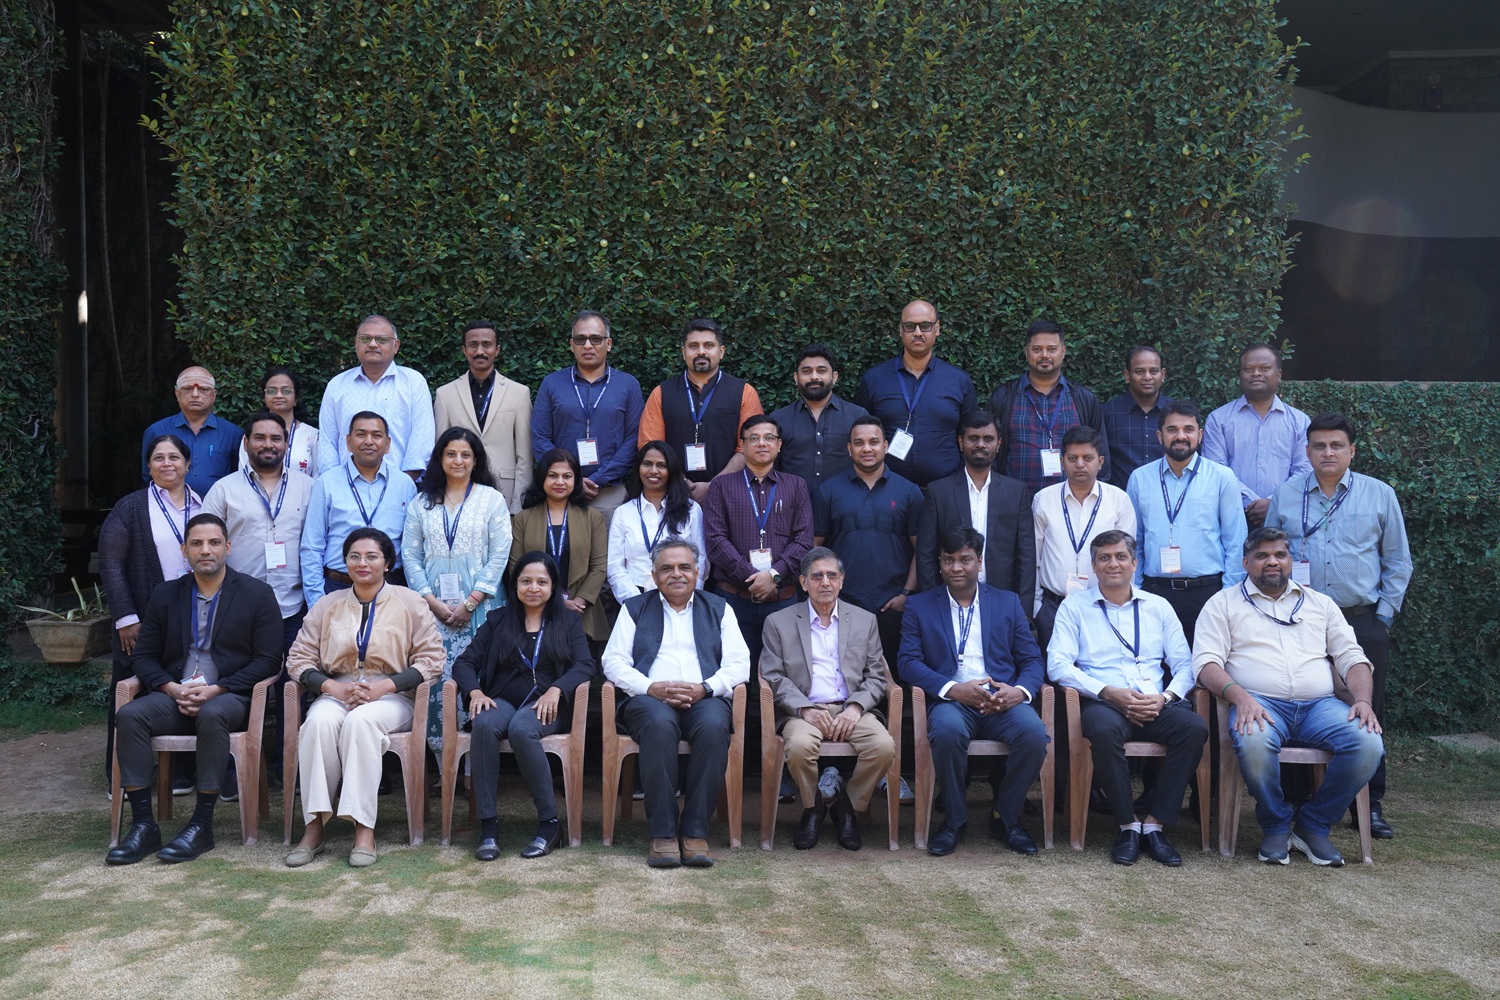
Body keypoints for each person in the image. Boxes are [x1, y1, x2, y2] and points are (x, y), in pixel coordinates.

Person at [1193, 527, 1385, 868]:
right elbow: (1206, 664)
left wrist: (1363, 701)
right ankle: (1276, 823)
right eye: (1262, 555)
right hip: (1259, 703)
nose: (1272, 562)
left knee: (1368, 743)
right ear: (1246, 562)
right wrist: (1240, 697)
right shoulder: (1222, 604)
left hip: (1320, 706)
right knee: (1253, 741)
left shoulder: (1320, 604)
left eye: (1280, 555)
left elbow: (1352, 658)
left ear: (1290, 561)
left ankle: (1314, 825)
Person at [106, 514, 283, 865]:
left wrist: (217, 689)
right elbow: (143, 657)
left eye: (214, 542)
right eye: (197, 543)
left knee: (214, 714)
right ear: (184, 550)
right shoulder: (166, 595)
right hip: (174, 697)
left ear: (227, 548)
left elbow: (268, 660)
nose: (206, 550)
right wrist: (170, 688)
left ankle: (202, 825)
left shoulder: (256, 594)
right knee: (130, 715)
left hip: (228, 698)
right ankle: (143, 826)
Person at [1265, 411, 1410, 839]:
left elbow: (1398, 561)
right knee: (1294, 700)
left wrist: (1381, 618)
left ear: (1351, 451)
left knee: (1366, 711)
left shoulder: (1379, 495)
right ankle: (1295, 799)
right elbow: (1271, 554)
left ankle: (1370, 803)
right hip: (1298, 620)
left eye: (1336, 446)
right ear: (1307, 451)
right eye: (1319, 446)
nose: (1327, 453)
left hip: (1359, 619)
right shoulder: (1288, 494)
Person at [284, 528, 445, 868]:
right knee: (318, 722)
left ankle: (364, 829)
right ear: (345, 562)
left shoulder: (410, 602)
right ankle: (313, 827)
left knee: (361, 721)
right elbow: (298, 659)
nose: (362, 563)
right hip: (339, 689)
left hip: (392, 695)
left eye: (372, 556)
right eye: (355, 556)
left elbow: (432, 660)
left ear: (387, 563)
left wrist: (385, 686)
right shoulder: (327, 605)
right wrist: (333, 688)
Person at [1047, 530, 1206, 867]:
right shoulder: (1074, 607)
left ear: (1135, 563)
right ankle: (1127, 825)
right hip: (1104, 703)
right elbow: (1058, 665)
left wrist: (1165, 697)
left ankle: (1155, 824)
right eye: (1104, 558)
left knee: (1193, 728)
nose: (1113, 564)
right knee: (1103, 731)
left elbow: (1185, 665)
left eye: (1120, 556)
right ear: (1093, 566)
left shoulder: (1159, 607)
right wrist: (1108, 692)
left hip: (1155, 702)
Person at [601, 538, 751, 867]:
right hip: (649, 700)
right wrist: (651, 687)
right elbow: (613, 662)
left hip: (705, 696)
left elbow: (740, 664)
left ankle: (695, 831)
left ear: (698, 573)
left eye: (684, 567)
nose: (676, 574)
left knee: (714, 727)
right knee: (659, 724)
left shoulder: (719, 608)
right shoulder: (635, 608)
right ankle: (663, 834)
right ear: (653, 576)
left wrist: (705, 688)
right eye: (666, 568)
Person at [900, 527, 1049, 856]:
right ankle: (954, 820)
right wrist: (954, 689)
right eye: (948, 560)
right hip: (953, 702)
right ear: (939, 564)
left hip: (1002, 700)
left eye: (965, 559)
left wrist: (1020, 692)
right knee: (948, 731)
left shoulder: (1007, 602)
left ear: (979, 562)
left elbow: (1033, 660)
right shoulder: (920, 606)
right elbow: (908, 662)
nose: (956, 567)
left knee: (1034, 734)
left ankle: (1006, 817)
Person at [451, 551, 596, 860]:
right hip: (502, 698)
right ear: (514, 585)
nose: (533, 588)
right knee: (485, 723)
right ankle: (488, 826)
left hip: (546, 704)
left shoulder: (567, 620)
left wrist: (557, 689)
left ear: (553, 586)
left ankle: (549, 823)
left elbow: (585, 665)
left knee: (521, 729)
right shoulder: (498, 619)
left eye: (542, 582)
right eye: (526, 581)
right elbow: (464, 663)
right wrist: (475, 692)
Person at [202, 411, 316, 784]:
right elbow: (206, 542)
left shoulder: (308, 487)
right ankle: (236, 775)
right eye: (260, 438)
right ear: (246, 443)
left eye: (276, 438)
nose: (268, 444)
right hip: (238, 608)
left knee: (292, 690)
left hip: (292, 605)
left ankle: (288, 771)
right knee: (238, 685)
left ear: (286, 444)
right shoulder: (224, 489)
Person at [759, 548, 896, 851]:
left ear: (842, 581)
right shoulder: (778, 622)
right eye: (817, 576)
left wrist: (856, 708)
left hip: (852, 708)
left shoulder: (864, 620)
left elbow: (876, 676)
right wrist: (805, 709)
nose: (825, 582)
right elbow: (772, 676)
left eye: (832, 575)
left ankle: (847, 808)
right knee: (799, 746)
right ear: (803, 582)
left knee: (884, 746)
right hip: (803, 710)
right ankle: (813, 807)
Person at [99, 434, 203, 784]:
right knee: (131, 690)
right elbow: (111, 565)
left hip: (191, 615)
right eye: (158, 458)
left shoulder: (201, 504)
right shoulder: (130, 507)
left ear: (188, 464)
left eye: (174, 457)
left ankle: (180, 775)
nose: (167, 464)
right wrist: (126, 619)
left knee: (184, 686)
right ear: (149, 466)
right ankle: (125, 778)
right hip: (142, 616)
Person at [401, 427, 513, 753]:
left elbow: (500, 552)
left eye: (465, 454)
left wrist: (473, 600)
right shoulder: (422, 503)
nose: (458, 460)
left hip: (482, 604)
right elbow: (410, 554)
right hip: (431, 606)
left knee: (476, 673)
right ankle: (439, 760)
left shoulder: (491, 499)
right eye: (451, 454)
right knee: (435, 677)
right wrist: (430, 601)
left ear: (475, 459)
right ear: (440, 458)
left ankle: (474, 765)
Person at [702, 414, 814, 676]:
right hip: (733, 599)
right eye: (754, 438)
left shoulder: (796, 486)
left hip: (784, 599)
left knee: (788, 674)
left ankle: (785, 719)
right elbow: (715, 541)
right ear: (742, 446)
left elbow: (804, 540)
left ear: (779, 444)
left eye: (769, 438)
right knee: (733, 674)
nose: (762, 443)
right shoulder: (721, 486)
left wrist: (773, 575)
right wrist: (755, 578)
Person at [1126, 401, 1246, 645]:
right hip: (1155, 592)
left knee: (1206, 671)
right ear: (1160, 436)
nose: (1181, 436)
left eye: (1188, 429)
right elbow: (1133, 541)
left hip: (1208, 593)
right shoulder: (1140, 479)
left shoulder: (1222, 477)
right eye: (1172, 430)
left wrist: (1227, 596)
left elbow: (1235, 539)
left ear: (1200, 435)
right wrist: (1134, 591)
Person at [813, 414, 923, 665]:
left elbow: (921, 549)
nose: (867, 449)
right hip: (841, 604)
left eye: (874, 442)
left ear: (885, 445)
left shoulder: (910, 492)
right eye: (859, 443)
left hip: (893, 605)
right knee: (844, 675)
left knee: (892, 683)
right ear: (849, 448)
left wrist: (907, 593)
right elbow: (814, 548)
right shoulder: (828, 491)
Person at [531, 310, 644, 525]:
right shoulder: (551, 384)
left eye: (596, 339)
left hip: (609, 494)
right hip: (560, 493)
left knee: (611, 558)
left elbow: (634, 438)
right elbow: (539, 437)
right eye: (580, 339)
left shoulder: (628, 385)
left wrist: (598, 479)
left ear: (608, 344)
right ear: (571, 345)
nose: (588, 345)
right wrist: (568, 479)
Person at [852, 299, 977, 488]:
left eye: (925, 326)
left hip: (946, 490)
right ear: (900, 330)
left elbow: (971, 434)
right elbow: (859, 432)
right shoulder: (874, 379)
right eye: (910, 326)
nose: (917, 333)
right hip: (886, 489)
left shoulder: (958, 380)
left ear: (937, 329)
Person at [1031, 425, 1135, 650]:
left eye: (1087, 458)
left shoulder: (1119, 500)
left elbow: (1127, 560)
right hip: (1053, 607)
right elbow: (1034, 559)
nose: (1079, 464)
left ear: (1100, 461)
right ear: (1062, 462)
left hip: (1103, 606)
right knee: (1057, 679)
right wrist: (1037, 607)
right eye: (1072, 458)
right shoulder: (1043, 500)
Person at [638, 318, 764, 502]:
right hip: (673, 495)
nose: (701, 351)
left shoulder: (744, 392)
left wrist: (714, 486)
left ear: (721, 352)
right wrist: (682, 483)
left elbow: (750, 446)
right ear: (683, 352)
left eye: (709, 345)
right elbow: (649, 446)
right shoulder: (661, 393)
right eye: (694, 346)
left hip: (731, 496)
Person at [301, 412, 418, 607]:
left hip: (392, 589)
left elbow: (413, 546)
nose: (369, 441)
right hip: (339, 587)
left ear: (388, 444)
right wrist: (317, 603)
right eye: (361, 434)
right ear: (348, 441)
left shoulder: (405, 485)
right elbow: (312, 546)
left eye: (377, 435)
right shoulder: (326, 483)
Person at [915, 410, 1035, 600]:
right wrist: (931, 603)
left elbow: (1026, 556)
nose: (981, 444)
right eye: (973, 438)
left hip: (1002, 599)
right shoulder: (938, 492)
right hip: (948, 598)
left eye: (988, 438)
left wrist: (1024, 610)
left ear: (999, 444)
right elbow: (926, 554)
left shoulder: (1016, 492)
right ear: (961, 442)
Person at [986, 319, 1112, 493]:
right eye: (1037, 349)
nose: (1044, 355)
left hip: (1071, 505)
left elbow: (1101, 455)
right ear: (1026, 352)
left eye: (1052, 349)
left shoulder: (1084, 399)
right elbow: (990, 455)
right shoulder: (1004, 398)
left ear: (1063, 351)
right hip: (1017, 505)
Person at [1201, 343, 1311, 528]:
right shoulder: (1219, 419)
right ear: (1240, 375)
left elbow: (1304, 471)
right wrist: (1251, 504)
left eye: (1264, 368)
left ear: (1279, 374)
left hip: (1286, 520)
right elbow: (1216, 471)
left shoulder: (1299, 422)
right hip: (1231, 519)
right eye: (1248, 369)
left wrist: (1274, 503)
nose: (1256, 373)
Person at [509, 448, 610, 644]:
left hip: (580, 611)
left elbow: (599, 568)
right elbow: (515, 568)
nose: (560, 482)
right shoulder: (523, 519)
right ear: (542, 479)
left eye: (567, 476)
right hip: (534, 606)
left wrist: (576, 603)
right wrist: (552, 602)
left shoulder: (593, 518)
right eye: (553, 476)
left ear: (576, 480)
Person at [316, 314, 435, 477]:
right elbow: (327, 442)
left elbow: (422, 441)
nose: (372, 344)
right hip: (344, 491)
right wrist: (337, 486)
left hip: (403, 489)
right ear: (356, 344)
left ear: (396, 345)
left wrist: (402, 487)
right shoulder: (337, 386)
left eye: (382, 339)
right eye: (365, 339)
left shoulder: (413, 383)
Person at [433, 320, 534, 512]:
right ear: (464, 350)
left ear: (497, 350)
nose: (480, 351)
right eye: (473, 345)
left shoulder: (519, 393)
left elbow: (525, 456)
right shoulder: (445, 394)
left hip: (505, 490)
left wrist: (518, 506)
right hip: (457, 494)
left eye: (486, 344)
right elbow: (441, 452)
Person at [608, 441, 708, 602]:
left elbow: (700, 559)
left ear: (671, 470)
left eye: (661, 465)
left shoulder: (691, 510)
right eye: (647, 464)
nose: (653, 471)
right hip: (635, 594)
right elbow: (615, 566)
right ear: (639, 468)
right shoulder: (623, 512)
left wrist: (687, 597)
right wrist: (634, 602)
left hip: (680, 593)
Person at [769, 344, 869, 492]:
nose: (814, 376)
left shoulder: (857, 416)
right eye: (806, 371)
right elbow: (769, 469)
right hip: (791, 510)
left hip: (844, 509)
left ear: (834, 377)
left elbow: (868, 465)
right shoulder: (778, 420)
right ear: (796, 378)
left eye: (821, 371)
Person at [140, 366, 242, 498]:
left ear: (213, 395)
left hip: (218, 513)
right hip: (167, 511)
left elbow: (239, 477)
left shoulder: (233, 434)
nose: (195, 394)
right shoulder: (157, 431)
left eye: (203, 389)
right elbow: (147, 477)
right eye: (187, 389)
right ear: (177, 394)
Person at [1101, 346, 1174, 490]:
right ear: (1127, 375)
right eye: (1140, 371)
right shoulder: (1108, 413)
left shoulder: (1176, 414)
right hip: (1121, 502)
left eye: (1153, 371)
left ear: (1163, 374)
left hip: (1169, 501)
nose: (1147, 377)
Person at [238, 367, 320, 477]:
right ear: (264, 398)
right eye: (272, 391)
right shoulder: (253, 433)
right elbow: (243, 475)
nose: (279, 395)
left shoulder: (313, 435)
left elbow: (319, 477)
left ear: (296, 398)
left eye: (286, 391)